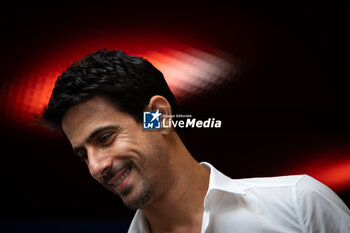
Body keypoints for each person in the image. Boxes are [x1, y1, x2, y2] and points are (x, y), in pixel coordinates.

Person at [39, 49, 350, 233]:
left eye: (104, 138)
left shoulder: (299, 206)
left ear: (158, 116)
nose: (96, 167)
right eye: (83, 154)